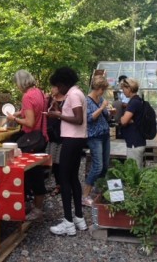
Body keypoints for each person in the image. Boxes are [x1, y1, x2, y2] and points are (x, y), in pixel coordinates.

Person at [47, 67, 88, 236]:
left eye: (58, 85)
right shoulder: (77, 93)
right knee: (73, 178)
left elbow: (78, 119)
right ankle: (79, 217)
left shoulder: (73, 95)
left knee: (64, 179)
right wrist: (59, 110)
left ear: (63, 83)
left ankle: (68, 222)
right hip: (77, 140)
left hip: (71, 140)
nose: (58, 89)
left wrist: (58, 116)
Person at [6, 70, 48, 221]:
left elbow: (29, 122)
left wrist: (14, 119)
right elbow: (33, 112)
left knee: (31, 175)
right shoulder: (39, 92)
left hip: (31, 141)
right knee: (37, 173)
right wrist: (18, 113)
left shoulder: (27, 96)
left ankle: (35, 209)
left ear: (20, 82)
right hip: (41, 137)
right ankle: (37, 206)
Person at [82, 75, 111, 207]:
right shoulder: (87, 101)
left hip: (105, 134)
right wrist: (101, 108)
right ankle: (85, 195)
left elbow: (105, 115)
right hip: (95, 136)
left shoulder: (101, 99)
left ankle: (97, 190)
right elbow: (89, 118)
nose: (103, 92)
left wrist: (109, 111)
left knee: (105, 165)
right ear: (97, 88)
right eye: (102, 89)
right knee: (97, 166)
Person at [119, 77, 146, 168]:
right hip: (138, 141)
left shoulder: (133, 102)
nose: (123, 91)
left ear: (129, 88)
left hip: (135, 143)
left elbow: (123, 121)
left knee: (134, 172)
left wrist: (124, 118)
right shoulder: (139, 100)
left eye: (124, 89)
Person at [46, 85, 65, 196]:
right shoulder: (49, 99)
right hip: (52, 134)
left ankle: (62, 185)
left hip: (62, 134)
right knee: (53, 162)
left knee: (60, 162)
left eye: (54, 86)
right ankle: (58, 184)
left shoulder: (66, 100)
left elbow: (65, 116)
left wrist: (57, 109)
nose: (52, 89)